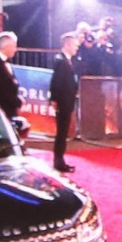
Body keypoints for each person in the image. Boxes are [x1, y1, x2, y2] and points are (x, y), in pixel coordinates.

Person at [49, 31, 80, 173]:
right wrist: (54, 99)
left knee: (63, 132)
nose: (77, 48)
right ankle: (59, 161)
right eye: (74, 45)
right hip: (63, 102)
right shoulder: (61, 60)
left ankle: (60, 160)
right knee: (61, 133)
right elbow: (56, 82)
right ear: (67, 44)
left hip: (67, 101)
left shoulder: (67, 60)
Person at [0, 32, 21, 124]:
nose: (15, 50)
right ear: (6, 46)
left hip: (7, 110)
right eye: (14, 46)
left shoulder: (3, 62)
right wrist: (16, 101)